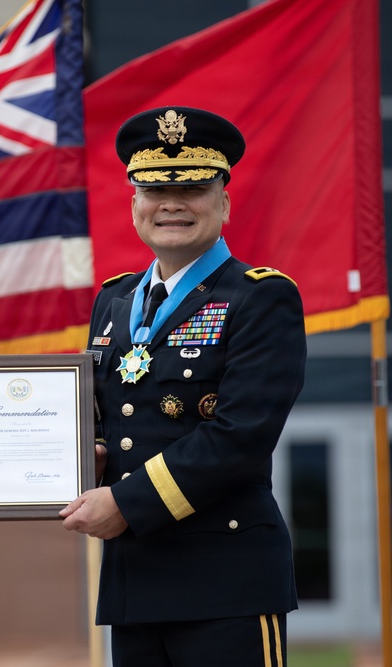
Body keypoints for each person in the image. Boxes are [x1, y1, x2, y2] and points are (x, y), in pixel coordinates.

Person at [60, 106, 306, 666]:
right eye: (153, 190)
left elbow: (241, 435)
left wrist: (125, 502)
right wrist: (83, 457)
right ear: (134, 205)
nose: (171, 203)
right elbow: (107, 420)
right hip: (134, 582)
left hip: (228, 582)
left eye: (193, 188)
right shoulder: (113, 300)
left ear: (224, 203)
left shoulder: (261, 297)